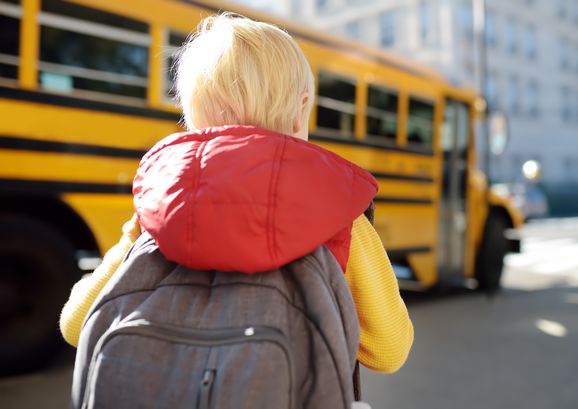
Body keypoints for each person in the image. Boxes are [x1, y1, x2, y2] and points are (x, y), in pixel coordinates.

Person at [60, 12, 412, 379]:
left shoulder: (158, 209)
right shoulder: (339, 214)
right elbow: (389, 350)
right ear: (300, 111)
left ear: (192, 118)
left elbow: (75, 324)